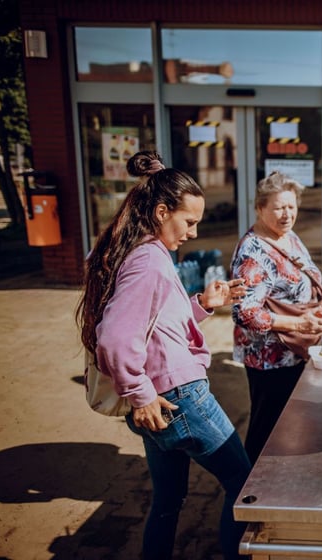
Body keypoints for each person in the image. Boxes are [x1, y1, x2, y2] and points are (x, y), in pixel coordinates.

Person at [76, 150, 252, 560]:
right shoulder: (150, 260)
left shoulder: (139, 250)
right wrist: (140, 394)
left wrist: (203, 304)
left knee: (168, 501)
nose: (193, 232)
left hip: (161, 399)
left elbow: (156, 325)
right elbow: (114, 338)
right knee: (245, 488)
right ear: (160, 212)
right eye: (189, 222)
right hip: (179, 398)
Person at [230, 171, 322, 464]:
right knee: (266, 430)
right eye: (278, 208)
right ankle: (248, 486)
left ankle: (277, 476)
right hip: (269, 359)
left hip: (293, 352)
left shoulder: (286, 236)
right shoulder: (253, 253)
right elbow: (245, 312)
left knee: (286, 426)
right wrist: (300, 323)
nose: (286, 214)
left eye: (291, 206)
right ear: (260, 208)